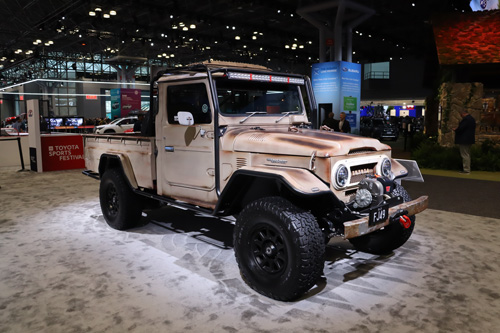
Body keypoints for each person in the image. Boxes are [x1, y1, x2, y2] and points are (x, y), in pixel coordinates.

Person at [453, 110, 476, 174]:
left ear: (463, 113)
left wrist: (456, 129)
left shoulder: (466, 120)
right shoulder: (472, 119)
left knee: (464, 154)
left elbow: (461, 128)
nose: (461, 116)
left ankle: (466, 170)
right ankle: (467, 168)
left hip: (464, 139)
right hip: (469, 139)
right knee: (467, 154)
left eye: (461, 114)